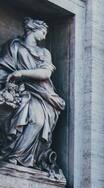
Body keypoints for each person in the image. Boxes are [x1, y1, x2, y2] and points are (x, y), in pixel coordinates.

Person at [0, 18, 66, 178]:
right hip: (20, 90)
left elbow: (45, 73)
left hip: (43, 93)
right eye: (43, 31)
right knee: (24, 112)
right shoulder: (13, 46)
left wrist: (21, 73)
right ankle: (12, 157)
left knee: (38, 121)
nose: (45, 35)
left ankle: (19, 158)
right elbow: (3, 67)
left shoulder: (44, 53)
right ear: (33, 29)